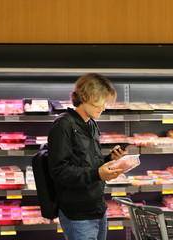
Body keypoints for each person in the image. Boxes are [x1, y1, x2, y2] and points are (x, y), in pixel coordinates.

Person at [48, 73, 126, 240]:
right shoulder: (63, 126)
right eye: (102, 102)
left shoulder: (91, 124)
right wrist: (98, 174)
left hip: (98, 208)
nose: (104, 107)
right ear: (87, 96)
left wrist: (110, 159)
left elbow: (90, 164)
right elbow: (59, 171)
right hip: (78, 215)